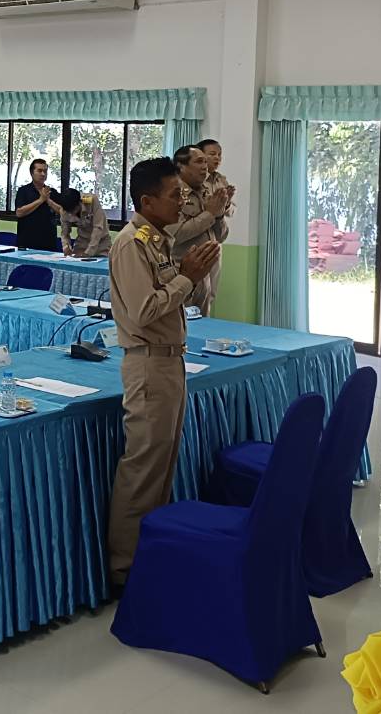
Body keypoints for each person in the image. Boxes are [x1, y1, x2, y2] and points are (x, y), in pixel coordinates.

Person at [107, 157, 219, 588]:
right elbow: (144, 309)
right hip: (148, 363)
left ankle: (148, 556)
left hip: (170, 359)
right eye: (175, 195)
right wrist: (187, 278)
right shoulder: (132, 244)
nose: (183, 202)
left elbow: (169, 296)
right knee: (142, 472)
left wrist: (190, 275)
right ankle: (124, 570)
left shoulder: (157, 240)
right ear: (147, 201)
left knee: (162, 467)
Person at [167, 145, 230, 314]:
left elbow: (221, 237)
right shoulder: (173, 194)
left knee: (202, 321)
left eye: (205, 162)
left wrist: (219, 214)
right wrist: (209, 214)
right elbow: (175, 235)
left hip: (204, 273)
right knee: (180, 321)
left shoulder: (206, 193)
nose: (205, 166)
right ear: (181, 166)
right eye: (199, 162)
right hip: (180, 271)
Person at [199, 138, 235, 307]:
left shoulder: (221, 180)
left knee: (211, 293)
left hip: (215, 239)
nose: (217, 158)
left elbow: (231, 210)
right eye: (212, 154)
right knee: (194, 292)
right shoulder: (195, 181)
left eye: (219, 155)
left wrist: (225, 204)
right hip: (197, 241)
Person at [13, 158, 61, 251]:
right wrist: (40, 200)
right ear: (32, 173)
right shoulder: (23, 191)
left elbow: (62, 211)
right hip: (27, 242)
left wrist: (48, 201)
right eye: (39, 171)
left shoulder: (52, 192)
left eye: (45, 171)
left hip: (48, 242)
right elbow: (19, 213)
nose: (43, 174)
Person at [55, 188, 111, 257]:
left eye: (73, 210)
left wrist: (88, 252)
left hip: (101, 243)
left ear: (80, 202)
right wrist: (66, 247)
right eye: (69, 211)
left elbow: (98, 228)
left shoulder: (91, 200)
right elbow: (64, 233)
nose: (72, 213)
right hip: (82, 243)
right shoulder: (64, 210)